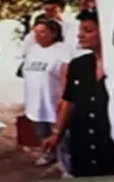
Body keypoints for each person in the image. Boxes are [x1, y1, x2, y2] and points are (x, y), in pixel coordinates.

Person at [40, 11, 114, 177]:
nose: (80, 35)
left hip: (112, 145)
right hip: (81, 141)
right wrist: (57, 133)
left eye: (88, 30)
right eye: (80, 30)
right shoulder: (78, 65)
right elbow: (69, 101)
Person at [21, 18, 71, 171]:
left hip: (54, 103)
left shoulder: (63, 50)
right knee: (42, 134)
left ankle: (68, 169)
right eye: (35, 32)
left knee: (62, 139)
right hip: (35, 103)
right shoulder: (32, 50)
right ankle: (49, 154)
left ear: (54, 33)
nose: (37, 36)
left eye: (42, 32)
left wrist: (63, 102)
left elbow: (66, 79)